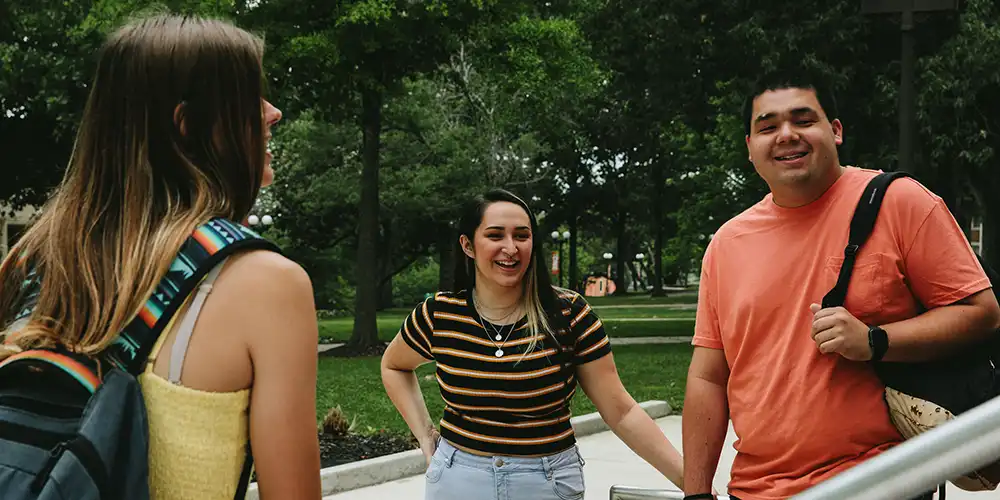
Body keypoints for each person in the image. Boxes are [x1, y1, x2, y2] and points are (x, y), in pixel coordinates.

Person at [0, 15, 322, 499]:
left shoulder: (31, 260)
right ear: (188, 126)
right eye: (247, 99)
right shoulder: (265, 283)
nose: (272, 112)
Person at [680, 72, 1000, 500]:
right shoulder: (726, 244)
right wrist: (696, 492)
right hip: (755, 489)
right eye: (768, 126)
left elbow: (982, 313)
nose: (786, 135)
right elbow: (708, 378)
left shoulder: (899, 202)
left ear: (835, 130)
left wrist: (876, 340)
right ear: (750, 148)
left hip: (880, 481)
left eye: (803, 119)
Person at [381, 188, 684, 499]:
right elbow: (393, 365)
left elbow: (621, 412)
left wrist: (692, 483)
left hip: (546, 482)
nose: (510, 248)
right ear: (468, 245)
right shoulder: (439, 315)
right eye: (495, 235)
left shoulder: (569, 314)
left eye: (521, 236)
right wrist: (425, 434)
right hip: (458, 481)